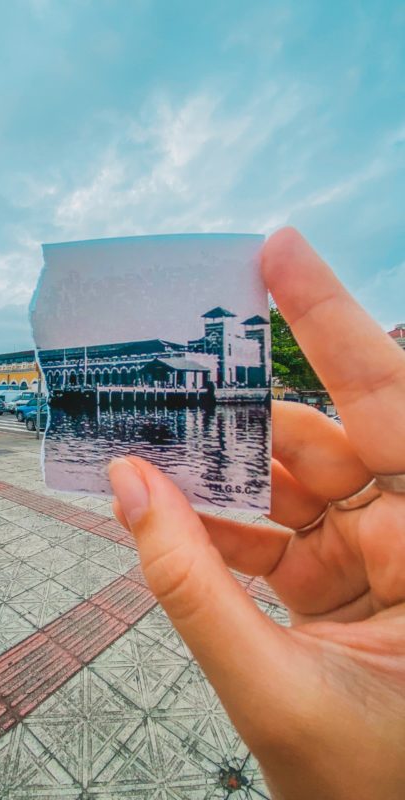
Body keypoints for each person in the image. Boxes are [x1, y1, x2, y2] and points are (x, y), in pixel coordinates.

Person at [108, 228, 405, 800]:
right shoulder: (189, 358)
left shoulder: (233, 361)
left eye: (230, 331)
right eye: (221, 330)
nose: (225, 335)